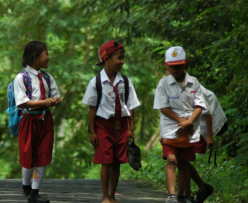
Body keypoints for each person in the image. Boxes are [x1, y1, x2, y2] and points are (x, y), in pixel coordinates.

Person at [82, 41, 140, 203]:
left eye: (123, 58)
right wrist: (93, 131)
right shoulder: (96, 82)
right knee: (106, 161)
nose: (122, 61)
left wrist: (131, 128)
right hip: (103, 125)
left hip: (121, 125)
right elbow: (92, 109)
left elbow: (131, 106)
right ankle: (105, 196)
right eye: (119, 58)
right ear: (107, 59)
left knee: (117, 161)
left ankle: (113, 195)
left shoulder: (126, 82)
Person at [153, 46, 206, 203]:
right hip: (171, 127)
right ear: (166, 65)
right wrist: (182, 121)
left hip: (189, 129)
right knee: (172, 160)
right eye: (171, 66)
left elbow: (200, 105)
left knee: (184, 162)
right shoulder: (163, 83)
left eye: (178, 65)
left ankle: (181, 195)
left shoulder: (193, 82)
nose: (174, 69)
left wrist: (189, 121)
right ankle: (171, 195)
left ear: (185, 64)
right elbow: (163, 107)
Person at [14, 41, 60, 203]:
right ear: (35, 56)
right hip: (29, 119)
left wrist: (54, 101)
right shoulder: (21, 78)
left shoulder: (47, 77)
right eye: (45, 54)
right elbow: (21, 102)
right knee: (28, 153)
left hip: (45, 119)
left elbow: (55, 95)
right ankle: (26, 186)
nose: (48, 58)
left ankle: (34, 192)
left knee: (44, 152)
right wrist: (44, 102)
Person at [165, 67, 217, 203]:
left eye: (174, 69)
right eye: (168, 70)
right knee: (181, 160)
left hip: (197, 127)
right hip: (182, 128)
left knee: (184, 160)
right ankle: (194, 191)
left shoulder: (193, 86)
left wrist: (209, 135)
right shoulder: (168, 86)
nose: (170, 73)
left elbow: (207, 112)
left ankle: (190, 193)